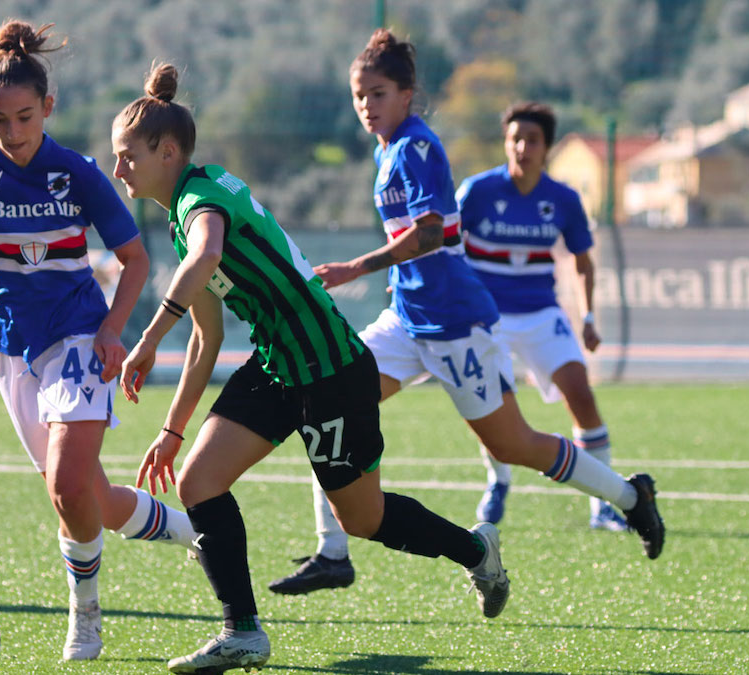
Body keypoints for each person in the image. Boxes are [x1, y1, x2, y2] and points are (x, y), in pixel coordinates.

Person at [112, 61, 509, 674]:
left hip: (330, 370)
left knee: (365, 519)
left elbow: (207, 254)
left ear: (166, 151)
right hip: (277, 368)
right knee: (197, 484)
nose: (119, 170)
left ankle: (476, 549)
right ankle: (242, 631)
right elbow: (207, 337)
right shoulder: (187, 204)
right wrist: (171, 430)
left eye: (126, 156)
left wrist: (145, 338)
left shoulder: (201, 198)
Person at [268, 29, 664, 597]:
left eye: (377, 94)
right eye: (359, 96)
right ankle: (333, 554)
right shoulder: (387, 151)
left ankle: (632, 497)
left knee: (515, 444)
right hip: (408, 320)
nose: (366, 107)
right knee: (327, 398)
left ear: (407, 94)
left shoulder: (416, 148)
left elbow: (429, 234)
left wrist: (357, 268)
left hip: (456, 323)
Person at [0, 20, 195, 663]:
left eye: (23, 116)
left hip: (76, 333)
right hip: (9, 349)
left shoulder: (75, 173)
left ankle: (86, 613)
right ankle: (195, 532)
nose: (12, 132)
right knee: (88, 497)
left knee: (70, 484)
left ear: (48, 107)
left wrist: (109, 330)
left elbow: (134, 260)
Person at [457, 101, 626, 530]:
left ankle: (602, 505)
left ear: (546, 148)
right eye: (515, 138)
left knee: (581, 396)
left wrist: (587, 317)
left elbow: (583, 263)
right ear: (505, 143)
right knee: (492, 407)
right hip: (486, 317)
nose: (522, 147)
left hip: (540, 313)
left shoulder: (563, 199)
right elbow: (446, 247)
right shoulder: (477, 191)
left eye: (532, 140)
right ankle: (498, 482)